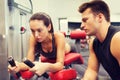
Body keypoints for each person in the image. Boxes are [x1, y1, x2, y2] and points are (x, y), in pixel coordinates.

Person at [8, 12, 75, 79]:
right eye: (33, 31)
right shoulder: (33, 38)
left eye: (39, 30)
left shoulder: (59, 37)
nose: (36, 35)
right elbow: (29, 62)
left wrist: (46, 67)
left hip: (70, 47)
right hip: (51, 56)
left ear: (49, 27)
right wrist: (18, 66)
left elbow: (60, 65)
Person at [78, 0, 120, 80]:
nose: (82, 26)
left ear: (100, 17)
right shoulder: (94, 43)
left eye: (85, 20)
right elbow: (92, 71)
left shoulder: (117, 39)